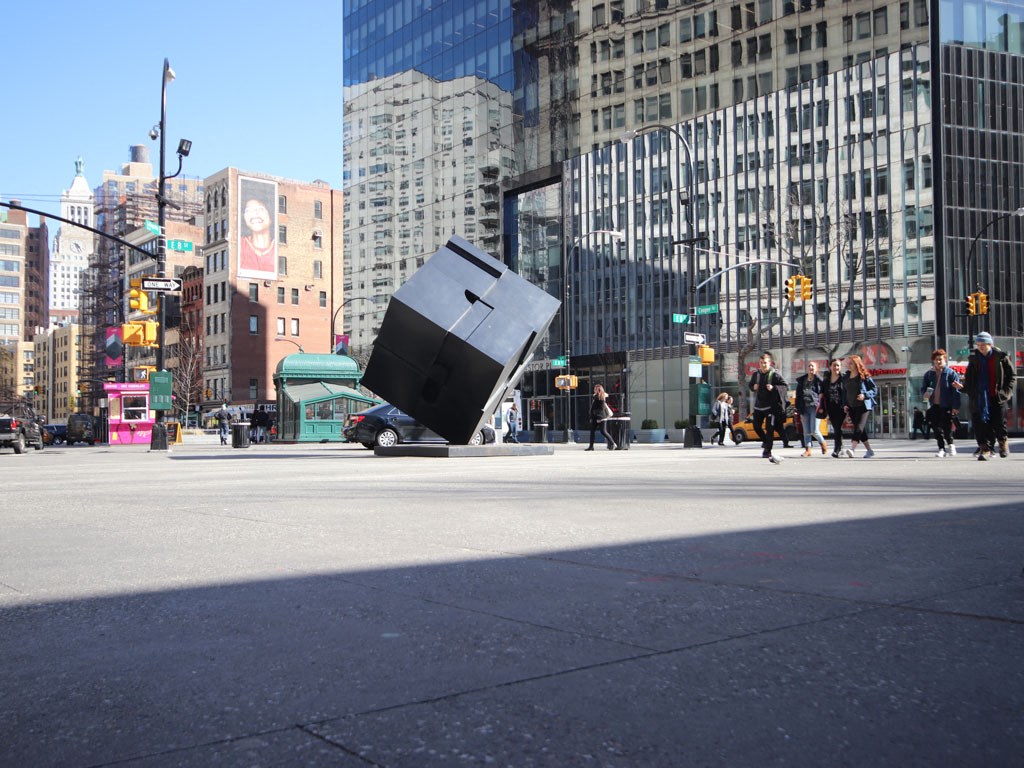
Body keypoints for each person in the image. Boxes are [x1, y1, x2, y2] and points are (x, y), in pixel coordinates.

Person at [964, 332, 1016, 460]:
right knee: (980, 425)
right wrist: (966, 389)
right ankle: (985, 449)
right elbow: (969, 379)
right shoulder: (974, 359)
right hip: (980, 398)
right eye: (978, 344)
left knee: (999, 423)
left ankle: (1003, 443)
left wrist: (1005, 393)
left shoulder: (1001, 358)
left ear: (990, 344)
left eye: (983, 344)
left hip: (997, 396)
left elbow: (1012, 376)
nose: (980, 347)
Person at [920, 349, 962, 458]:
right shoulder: (929, 374)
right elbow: (924, 388)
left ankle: (951, 444)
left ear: (945, 360)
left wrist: (955, 406)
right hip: (934, 405)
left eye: (940, 359)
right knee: (936, 427)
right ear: (933, 361)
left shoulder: (951, 373)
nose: (938, 362)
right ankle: (941, 448)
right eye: (936, 360)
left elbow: (955, 391)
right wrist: (925, 394)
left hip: (946, 404)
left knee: (947, 427)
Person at [748, 352, 788, 464]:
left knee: (769, 429)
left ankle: (767, 450)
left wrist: (773, 388)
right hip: (758, 406)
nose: (763, 365)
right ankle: (766, 441)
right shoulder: (756, 375)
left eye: (765, 363)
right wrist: (753, 387)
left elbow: (785, 386)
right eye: (761, 363)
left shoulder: (775, 375)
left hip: (771, 407)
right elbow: (750, 386)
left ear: (769, 363)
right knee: (756, 426)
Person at [842, 354, 877, 458]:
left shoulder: (864, 376)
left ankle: (852, 449)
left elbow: (874, 389)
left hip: (863, 406)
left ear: (857, 364)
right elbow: (844, 392)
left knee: (858, 428)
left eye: (851, 363)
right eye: (848, 363)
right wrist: (845, 404)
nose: (849, 365)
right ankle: (870, 451)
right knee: (861, 431)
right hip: (852, 407)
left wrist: (865, 395)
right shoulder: (846, 377)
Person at [795, 361, 827, 457]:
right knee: (806, 430)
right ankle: (808, 449)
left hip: (815, 407)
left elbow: (823, 392)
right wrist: (797, 407)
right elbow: (798, 395)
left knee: (814, 430)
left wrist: (822, 405)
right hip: (804, 407)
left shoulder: (819, 381)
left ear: (816, 368)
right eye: (809, 366)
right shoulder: (802, 380)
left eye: (812, 366)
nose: (811, 368)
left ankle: (823, 443)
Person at [239, 197, 276, 275]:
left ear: (271, 216)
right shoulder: (239, 245)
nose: (255, 214)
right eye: (248, 210)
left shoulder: (279, 248)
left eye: (260, 209)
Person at [823, 359, 848, 458]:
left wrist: (847, 404)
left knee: (837, 428)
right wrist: (821, 394)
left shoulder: (843, 378)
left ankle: (837, 449)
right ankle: (840, 447)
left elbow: (846, 391)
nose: (836, 368)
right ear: (830, 367)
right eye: (834, 365)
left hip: (841, 407)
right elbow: (823, 390)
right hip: (831, 407)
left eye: (838, 365)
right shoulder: (827, 380)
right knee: (836, 428)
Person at [585, 384, 618, 451]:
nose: (595, 390)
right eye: (595, 389)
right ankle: (591, 446)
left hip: (601, 417)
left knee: (603, 431)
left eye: (596, 389)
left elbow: (601, 408)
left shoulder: (601, 397)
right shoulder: (595, 396)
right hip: (594, 417)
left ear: (599, 390)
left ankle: (613, 443)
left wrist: (598, 417)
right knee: (592, 431)